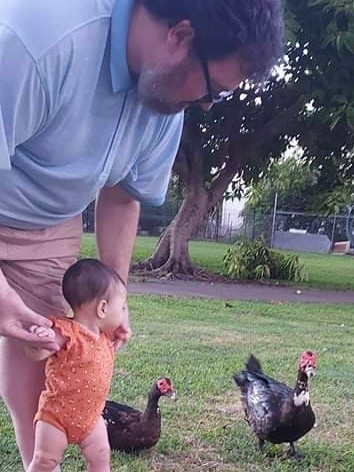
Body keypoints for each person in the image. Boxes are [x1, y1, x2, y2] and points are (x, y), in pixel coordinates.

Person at [0, 0, 284, 468]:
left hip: (45, 222)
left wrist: (116, 298)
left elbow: (123, 194)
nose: (210, 104)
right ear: (181, 37)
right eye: (216, 89)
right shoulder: (38, 39)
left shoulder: (165, 100)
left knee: (45, 374)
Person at [25, 258, 127, 472]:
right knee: (45, 460)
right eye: (123, 307)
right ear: (103, 308)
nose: (125, 313)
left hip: (91, 417)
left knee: (100, 458)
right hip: (56, 417)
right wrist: (38, 339)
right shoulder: (67, 332)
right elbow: (38, 351)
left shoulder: (104, 336)